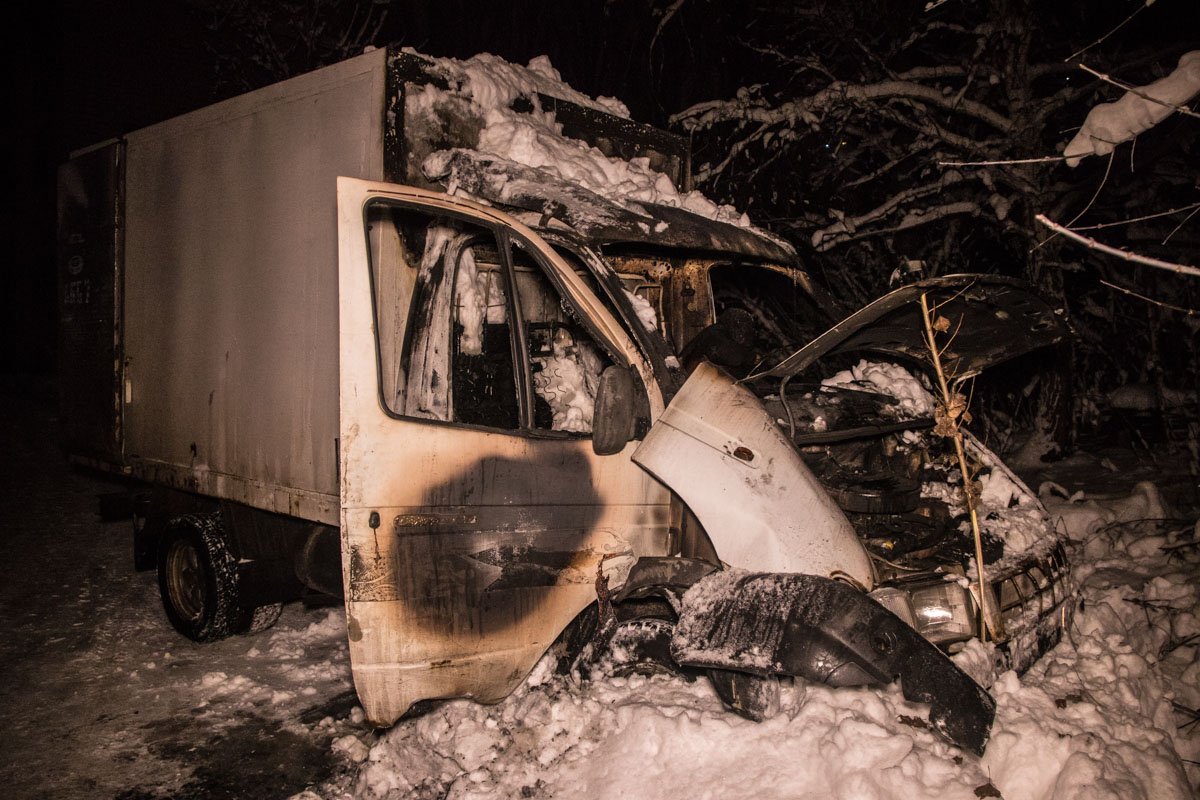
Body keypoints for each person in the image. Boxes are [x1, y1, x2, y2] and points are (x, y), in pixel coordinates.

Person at [679, 307, 758, 376]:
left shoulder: (717, 331)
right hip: (694, 374)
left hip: (704, 376)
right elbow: (736, 358)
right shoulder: (716, 332)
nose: (741, 333)